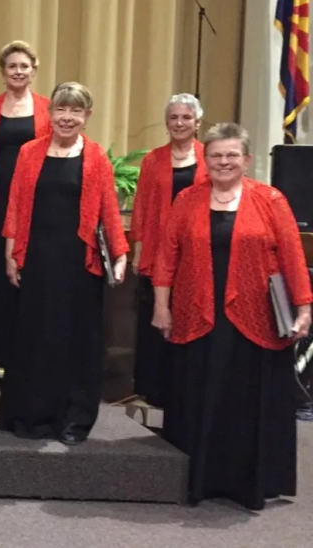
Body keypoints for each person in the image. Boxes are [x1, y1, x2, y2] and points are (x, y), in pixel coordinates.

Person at [152, 122, 310, 510]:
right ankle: (198, 480)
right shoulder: (187, 199)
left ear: (247, 159)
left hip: (254, 317)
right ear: (206, 160)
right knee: (201, 394)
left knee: (246, 401)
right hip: (197, 312)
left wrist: (305, 308)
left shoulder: (271, 199)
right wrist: (161, 305)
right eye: (217, 155)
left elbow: (293, 258)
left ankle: (246, 484)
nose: (224, 162)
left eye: (232, 155)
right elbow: (167, 256)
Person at [0, 82, 128, 446]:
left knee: (75, 340)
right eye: (61, 110)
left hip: (79, 264)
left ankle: (72, 418)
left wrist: (120, 253)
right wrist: (11, 253)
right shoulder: (29, 152)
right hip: (37, 258)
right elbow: (16, 207)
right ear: (50, 113)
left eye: (75, 111)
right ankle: (29, 414)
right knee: (36, 337)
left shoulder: (96, 157)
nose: (67, 118)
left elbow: (108, 212)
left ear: (87, 116)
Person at [0, 41, 51, 372]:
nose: (18, 71)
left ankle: (29, 347)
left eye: (24, 66)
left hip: (35, 200)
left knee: (31, 272)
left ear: (34, 70)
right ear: (2, 72)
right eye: (12, 66)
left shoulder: (47, 108)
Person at [127, 93, 207, 408]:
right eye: (173, 117)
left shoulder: (208, 156)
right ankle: (154, 387)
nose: (179, 123)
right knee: (155, 316)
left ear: (198, 123)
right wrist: (138, 251)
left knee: (189, 316)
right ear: (166, 123)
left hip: (196, 252)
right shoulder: (153, 160)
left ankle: (187, 384)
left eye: (186, 117)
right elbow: (143, 208)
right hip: (158, 250)